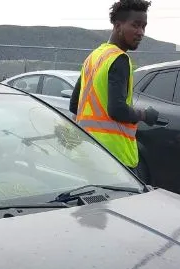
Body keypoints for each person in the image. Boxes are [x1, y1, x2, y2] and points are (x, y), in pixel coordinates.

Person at [69, 0, 158, 170]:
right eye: (135, 25)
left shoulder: (93, 57)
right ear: (118, 26)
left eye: (144, 26)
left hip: (87, 151)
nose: (141, 32)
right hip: (114, 156)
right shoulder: (119, 59)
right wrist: (146, 115)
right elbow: (117, 110)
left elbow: (74, 106)